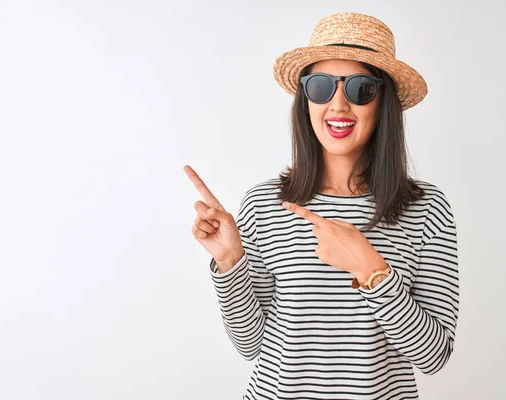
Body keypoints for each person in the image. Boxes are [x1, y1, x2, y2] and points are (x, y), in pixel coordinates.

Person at [184, 11, 459, 400]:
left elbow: (434, 356)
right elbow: (251, 346)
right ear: (305, 100)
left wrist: (370, 268)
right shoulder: (264, 204)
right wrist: (231, 262)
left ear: (384, 103)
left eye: (361, 88)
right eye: (321, 87)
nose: (339, 104)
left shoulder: (426, 208)